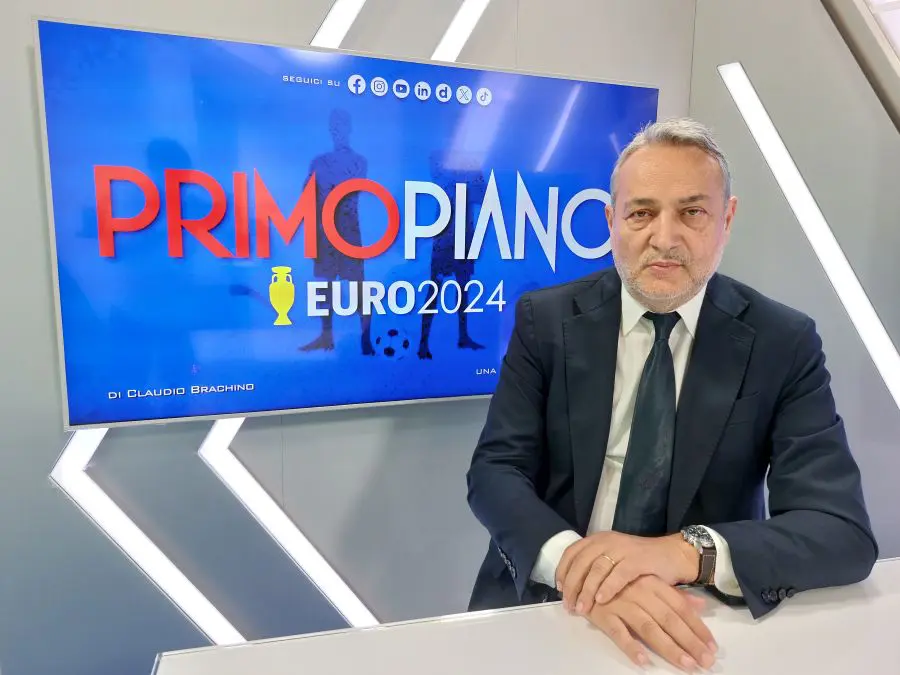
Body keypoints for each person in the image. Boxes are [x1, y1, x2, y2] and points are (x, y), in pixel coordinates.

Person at [465, 118, 877, 672]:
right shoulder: (546, 320)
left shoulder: (783, 341)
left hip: (696, 616)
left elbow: (840, 531)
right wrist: (580, 569)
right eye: (641, 213)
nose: (664, 238)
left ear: (726, 219)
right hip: (551, 602)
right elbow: (495, 472)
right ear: (611, 221)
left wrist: (683, 553)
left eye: (691, 212)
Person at [300, 108, 374, 356]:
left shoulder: (359, 161)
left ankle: (366, 339)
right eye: (333, 126)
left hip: (349, 232)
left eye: (341, 125)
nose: (337, 130)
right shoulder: (317, 162)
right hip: (324, 232)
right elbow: (307, 195)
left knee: (359, 287)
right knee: (326, 286)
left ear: (349, 128)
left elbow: (347, 192)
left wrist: (325, 190)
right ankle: (326, 337)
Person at [418, 151, 486, 359]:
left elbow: (482, 195)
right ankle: (423, 343)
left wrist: (466, 179)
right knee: (434, 290)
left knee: (463, 288)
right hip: (444, 239)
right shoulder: (441, 158)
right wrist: (465, 180)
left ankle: (463, 337)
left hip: (465, 238)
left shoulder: (472, 163)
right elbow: (439, 179)